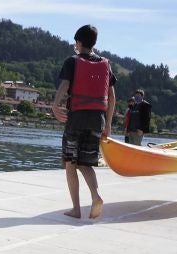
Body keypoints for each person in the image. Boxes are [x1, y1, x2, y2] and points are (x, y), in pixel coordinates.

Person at [51, 24, 116, 220]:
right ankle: (96, 196)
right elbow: (112, 97)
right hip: (97, 119)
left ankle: (76, 209)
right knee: (86, 161)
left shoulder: (73, 61)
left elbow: (65, 84)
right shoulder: (106, 64)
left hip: (77, 117)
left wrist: (55, 105)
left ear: (79, 42)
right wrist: (108, 124)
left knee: (71, 162)